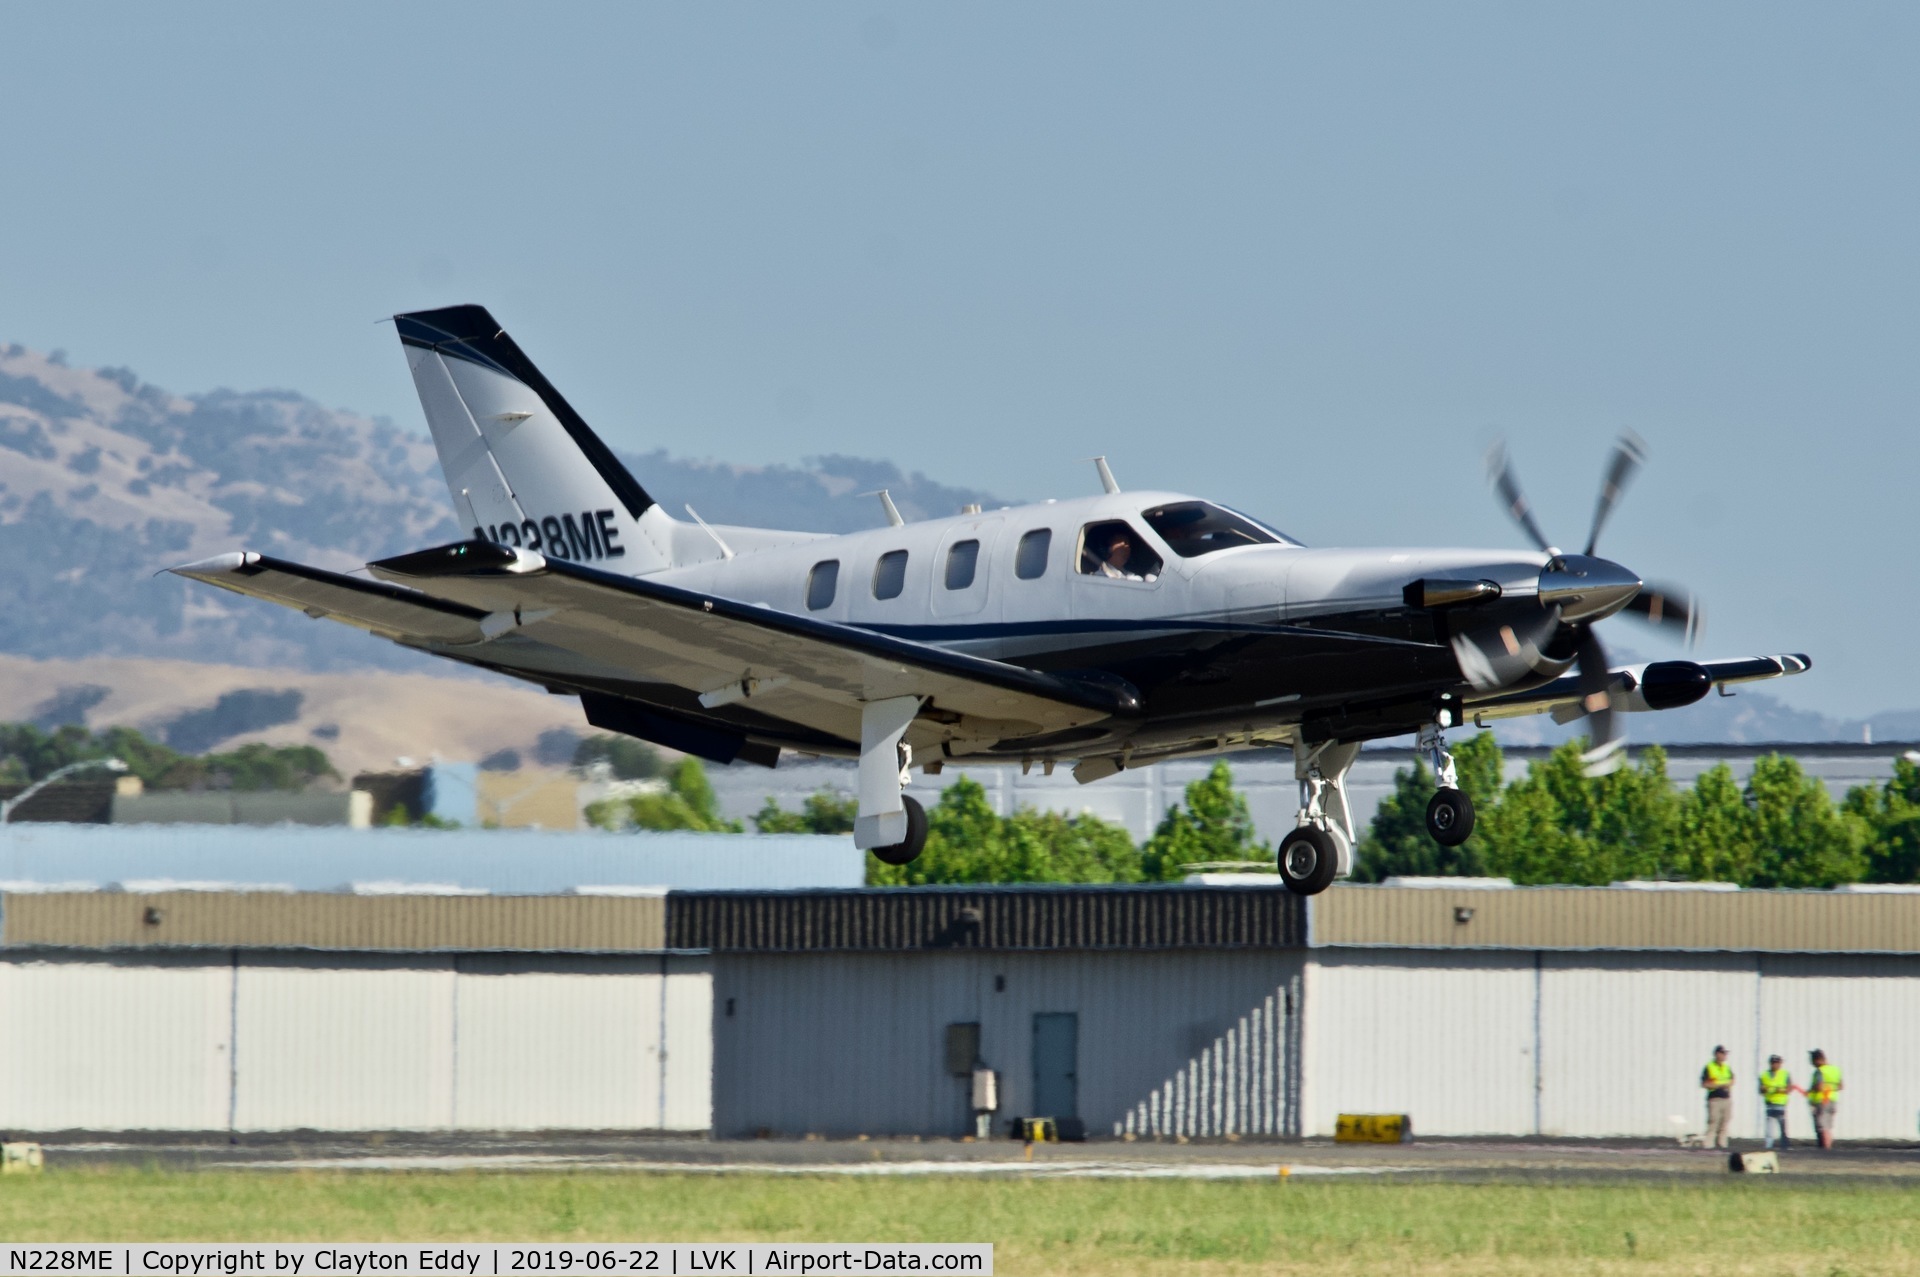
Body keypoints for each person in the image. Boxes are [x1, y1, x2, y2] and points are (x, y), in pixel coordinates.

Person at [1807, 1049, 1843, 1150]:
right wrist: (1829, 1088)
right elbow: (1840, 1086)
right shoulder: (1835, 1070)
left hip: (1821, 1101)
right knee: (1828, 1126)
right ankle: (1828, 1146)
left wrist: (1811, 1089)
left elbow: (1818, 1087)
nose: (1812, 1063)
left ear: (1818, 1060)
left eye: (1812, 1061)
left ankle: (1825, 1149)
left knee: (1822, 1126)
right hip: (1832, 1100)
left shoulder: (1820, 1071)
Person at [1700, 1045, 1734, 1149]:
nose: (1724, 1056)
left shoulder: (1727, 1067)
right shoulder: (1709, 1067)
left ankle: (1722, 1144)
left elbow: (1732, 1080)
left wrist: (1725, 1084)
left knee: (1725, 1122)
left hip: (1726, 1098)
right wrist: (1719, 1084)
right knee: (1713, 1122)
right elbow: (1704, 1083)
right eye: (1723, 1053)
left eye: (1725, 1054)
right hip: (1714, 1099)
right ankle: (1708, 1145)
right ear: (1717, 1054)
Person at [1758, 1054, 1793, 1150]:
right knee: (1769, 1127)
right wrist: (1764, 1089)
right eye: (1774, 1063)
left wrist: (1780, 1090)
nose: (1775, 1065)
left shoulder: (1785, 1074)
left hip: (1780, 1103)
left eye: (1777, 1063)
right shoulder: (1764, 1075)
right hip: (1770, 1103)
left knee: (1782, 1126)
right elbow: (1760, 1090)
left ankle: (1785, 1145)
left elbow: (1789, 1088)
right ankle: (1768, 1145)